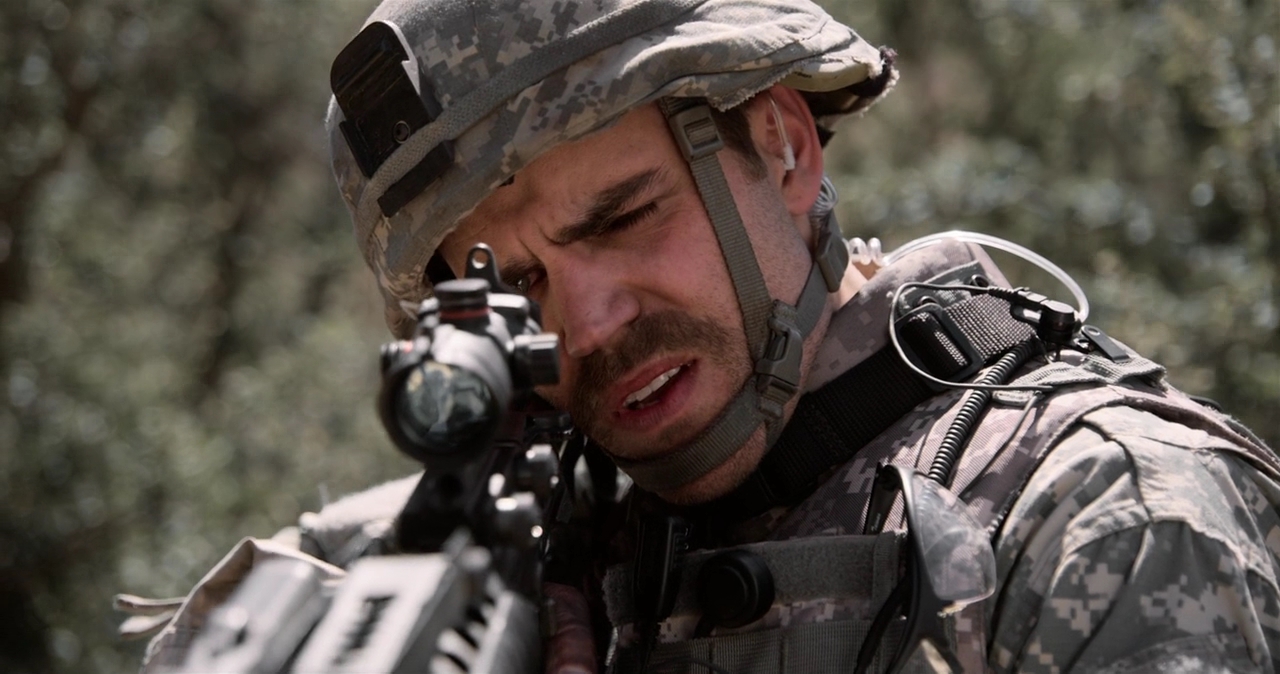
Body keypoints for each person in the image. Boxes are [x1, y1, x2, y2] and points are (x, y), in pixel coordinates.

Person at [123, 0, 1280, 672]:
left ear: (782, 148)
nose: (588, 321)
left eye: (621, 217)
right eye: (514, 283)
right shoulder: (460, 563)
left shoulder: (1096, 512)